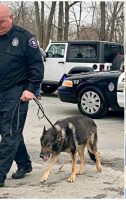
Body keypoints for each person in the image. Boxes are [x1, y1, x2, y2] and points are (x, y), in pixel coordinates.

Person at [0, 3, 44, 187]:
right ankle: (25, 164)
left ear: (11, 17)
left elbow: (37, 66)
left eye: (1, 21)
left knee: (9, 133)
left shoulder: (25, 38)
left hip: (17, 93)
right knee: (11, 131)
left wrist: (31, 89)